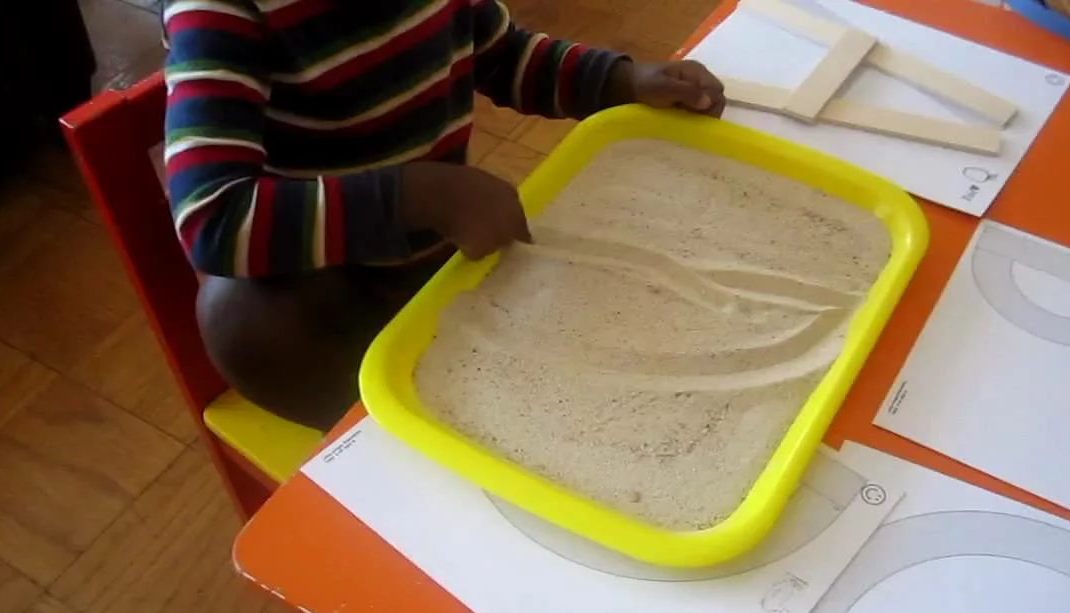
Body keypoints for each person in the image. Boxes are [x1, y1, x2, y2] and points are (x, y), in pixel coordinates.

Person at [162, 0, 727, 431]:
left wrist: (621, 81)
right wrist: (420, 197)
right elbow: (213, 216)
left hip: (450, 262)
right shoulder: (219, 12)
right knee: (235, 316)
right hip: (333, 311)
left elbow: (503, 55)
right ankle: (384, 441)